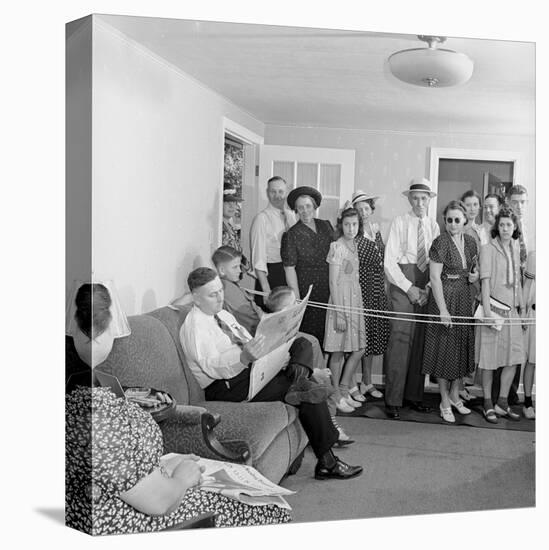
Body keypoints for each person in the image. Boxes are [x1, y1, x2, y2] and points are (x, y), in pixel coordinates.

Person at [65, 282, 290, 534]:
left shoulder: (79, 394)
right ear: (110, 327)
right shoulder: (102, 415)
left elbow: (116, 468)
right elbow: (158, 502)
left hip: (129, 495)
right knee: (269, 509)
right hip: (129, 519)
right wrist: (183, 476)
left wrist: (165, 466)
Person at [180, 267, 363, 480]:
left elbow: (246, 339)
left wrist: (269, 346)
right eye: (213, 294)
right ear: (196, 297)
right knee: (308, 390)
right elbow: (211, 366)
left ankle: (299, 379)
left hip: (250, 369)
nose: (220, 297)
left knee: (301, 343)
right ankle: (327, 460)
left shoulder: (221, 314)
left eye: (221, 290)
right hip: (228, 385)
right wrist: (244, 358)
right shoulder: (195, 327)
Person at [211, 245, 325, 382]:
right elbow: (251, 319)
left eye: (239, 266)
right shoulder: (226, 288)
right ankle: (328, 393)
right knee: (311, 341)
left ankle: (320, 387)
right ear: (222, 270)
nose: (239, 270)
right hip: (260, 336)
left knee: (308, 340)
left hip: (262, 331)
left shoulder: (233, 285)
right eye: (235, 267)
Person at [383, 178, 440, 419]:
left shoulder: (434, 226)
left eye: (423, 198)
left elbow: (437, 262)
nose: (419, 202)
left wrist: (426, 287)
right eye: (415, 197)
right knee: (400, 339)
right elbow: (389, 263)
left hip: (425, 282)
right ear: (409, 199)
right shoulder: (399, 222)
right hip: (402, 282)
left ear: (429, 200)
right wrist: (409, 288)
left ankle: (414, 396)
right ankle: (393, 399)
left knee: (419, 341)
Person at [421, 201, 479, 423]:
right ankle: (444, 399)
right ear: (444, 221)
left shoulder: (471, 242)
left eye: (457, 219)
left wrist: (474, 277)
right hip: (444, 299)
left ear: (464, 220)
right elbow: (434, 278)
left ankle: (455, 395)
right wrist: (443, 310)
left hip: (464, 298)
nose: (453, 224)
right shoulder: (440, 242)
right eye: (449, 220)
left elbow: (473, 270)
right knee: (444, 350)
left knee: (461, 347)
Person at [477, 207, 525, 424]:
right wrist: (486, 312)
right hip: (494, 312)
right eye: (502, 224)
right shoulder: (487, 249)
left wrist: (522, 310)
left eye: (509, 224)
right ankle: (487, 402)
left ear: (514, 227)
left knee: (514, 358)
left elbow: (519, 284)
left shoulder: (516, 249)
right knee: (489, 360)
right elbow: (484, 281)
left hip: (513, 313)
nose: (505, 228)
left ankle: (502, 402)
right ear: (497, 227)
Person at [323, 206, 367, 412]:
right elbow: (333, 283)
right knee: (338, 351)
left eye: (355, 224)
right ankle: (336, 395)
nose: (351, 229)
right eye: (347, 225)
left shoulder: (355, 245)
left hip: (355, 302)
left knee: (359, 348)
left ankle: (344, 388)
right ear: (341, 225)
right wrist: (339, 313)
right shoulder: (337, 247)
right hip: (341, 303)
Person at [281, 186, 334, 348]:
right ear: (296, 210)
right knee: (310, 336)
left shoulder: (326, 225)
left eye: (308, 206)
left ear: (314, 206)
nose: (305, 211)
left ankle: (325, 371)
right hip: (307, 289)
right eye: (300, 207)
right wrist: (297, 299)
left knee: (329, 335)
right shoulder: (291, 234)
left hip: (329, 288)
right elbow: (289, 268)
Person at [351, 190, 389, 400]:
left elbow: (383, 260)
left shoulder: (376, 230)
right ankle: (349, 384)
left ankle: (367, 382)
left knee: (373, 336)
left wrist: (384, 287)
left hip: (376, 287)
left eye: (366, 208)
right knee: (358, 338)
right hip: (361, 287)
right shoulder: (353, 232)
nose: (364, 213)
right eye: (359, 209)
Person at [250, 176, 297, 306]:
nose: (277, 195)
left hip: (289, 274)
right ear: (267, 192)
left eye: (281, 191)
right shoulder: (261, 219)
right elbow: (258, 258)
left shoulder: (291, 216)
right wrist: (266, 290)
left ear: (286, 192)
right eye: (273, 191)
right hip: (270, 277)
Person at [522, 250, 536, 419]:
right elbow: (527, 285)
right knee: (532, 360)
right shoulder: (536, 256)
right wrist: (524, 313)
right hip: (535, 314)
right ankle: (527, 402)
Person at [221, 187, 244, 251]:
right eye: (227, 202)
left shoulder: (230, 227)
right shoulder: (219, 228)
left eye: (233, 202)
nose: (231, 206)